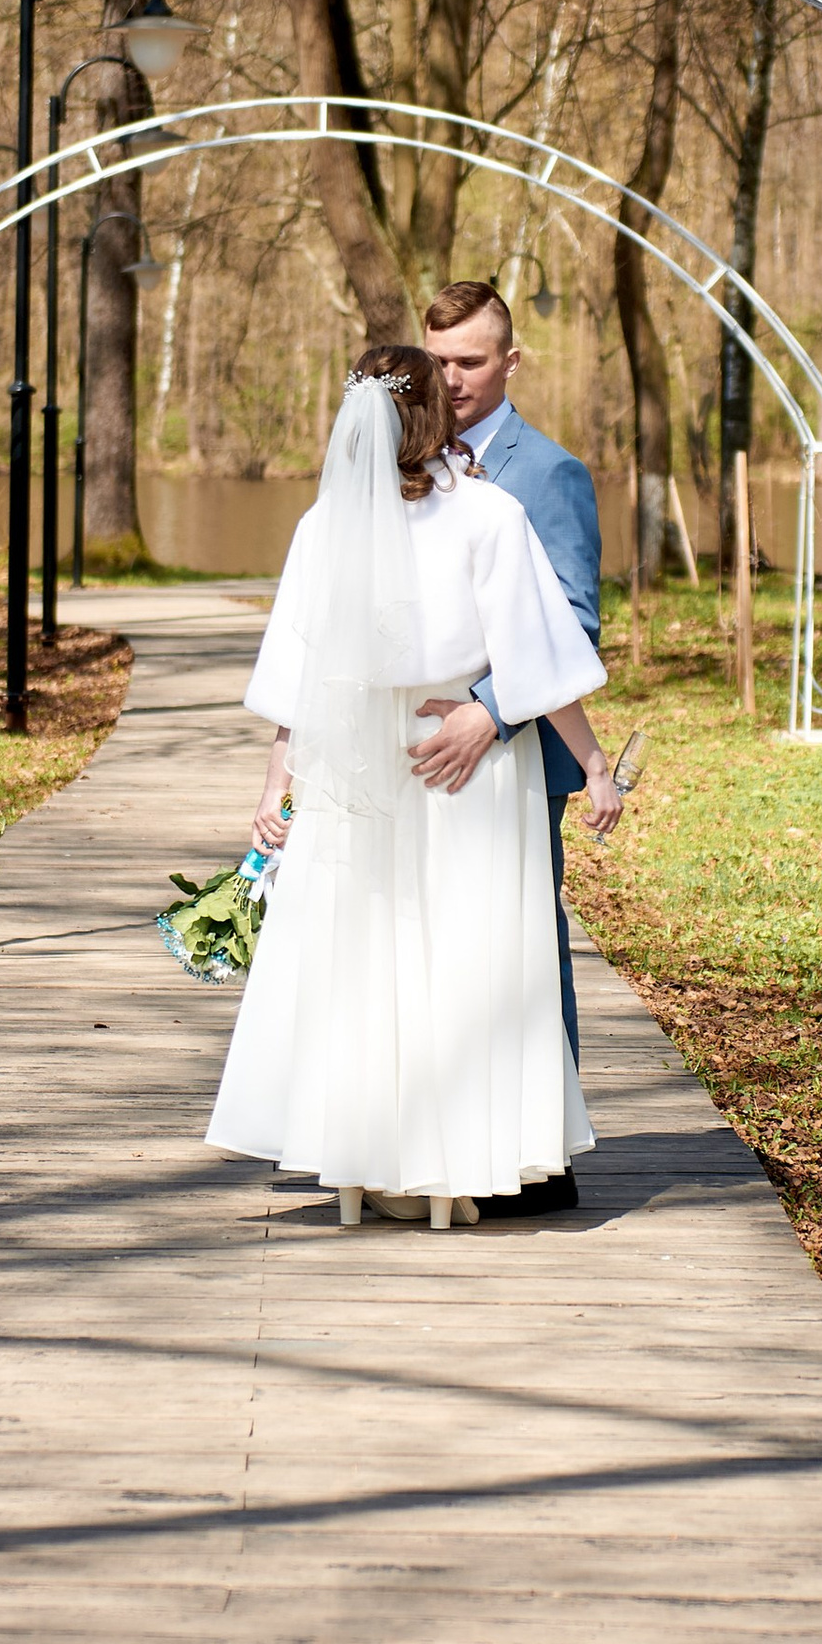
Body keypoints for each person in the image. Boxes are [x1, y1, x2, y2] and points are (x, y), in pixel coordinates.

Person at [206, 346, 623, 1229]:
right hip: (465, 770)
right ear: (437, 416)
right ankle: (456, 1160)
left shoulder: (324, 527)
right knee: (470, 964)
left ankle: (367, 1160)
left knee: (368, 962)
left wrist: (277, 794)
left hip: (357, 768)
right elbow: (538, 661)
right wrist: (592, 766)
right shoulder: (488, 515)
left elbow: (296, 686)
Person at [411, 277, 601, 1214]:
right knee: (431, 944)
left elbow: (572, 621)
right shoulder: (405, 464)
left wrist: (489, 711)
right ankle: (443, 1135)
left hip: (510, 751)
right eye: (437, 361)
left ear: (511, 361)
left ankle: (542, 1158)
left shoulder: (549, 472)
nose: (451, 381)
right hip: (414, 758)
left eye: (471, 362)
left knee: (526, 940)